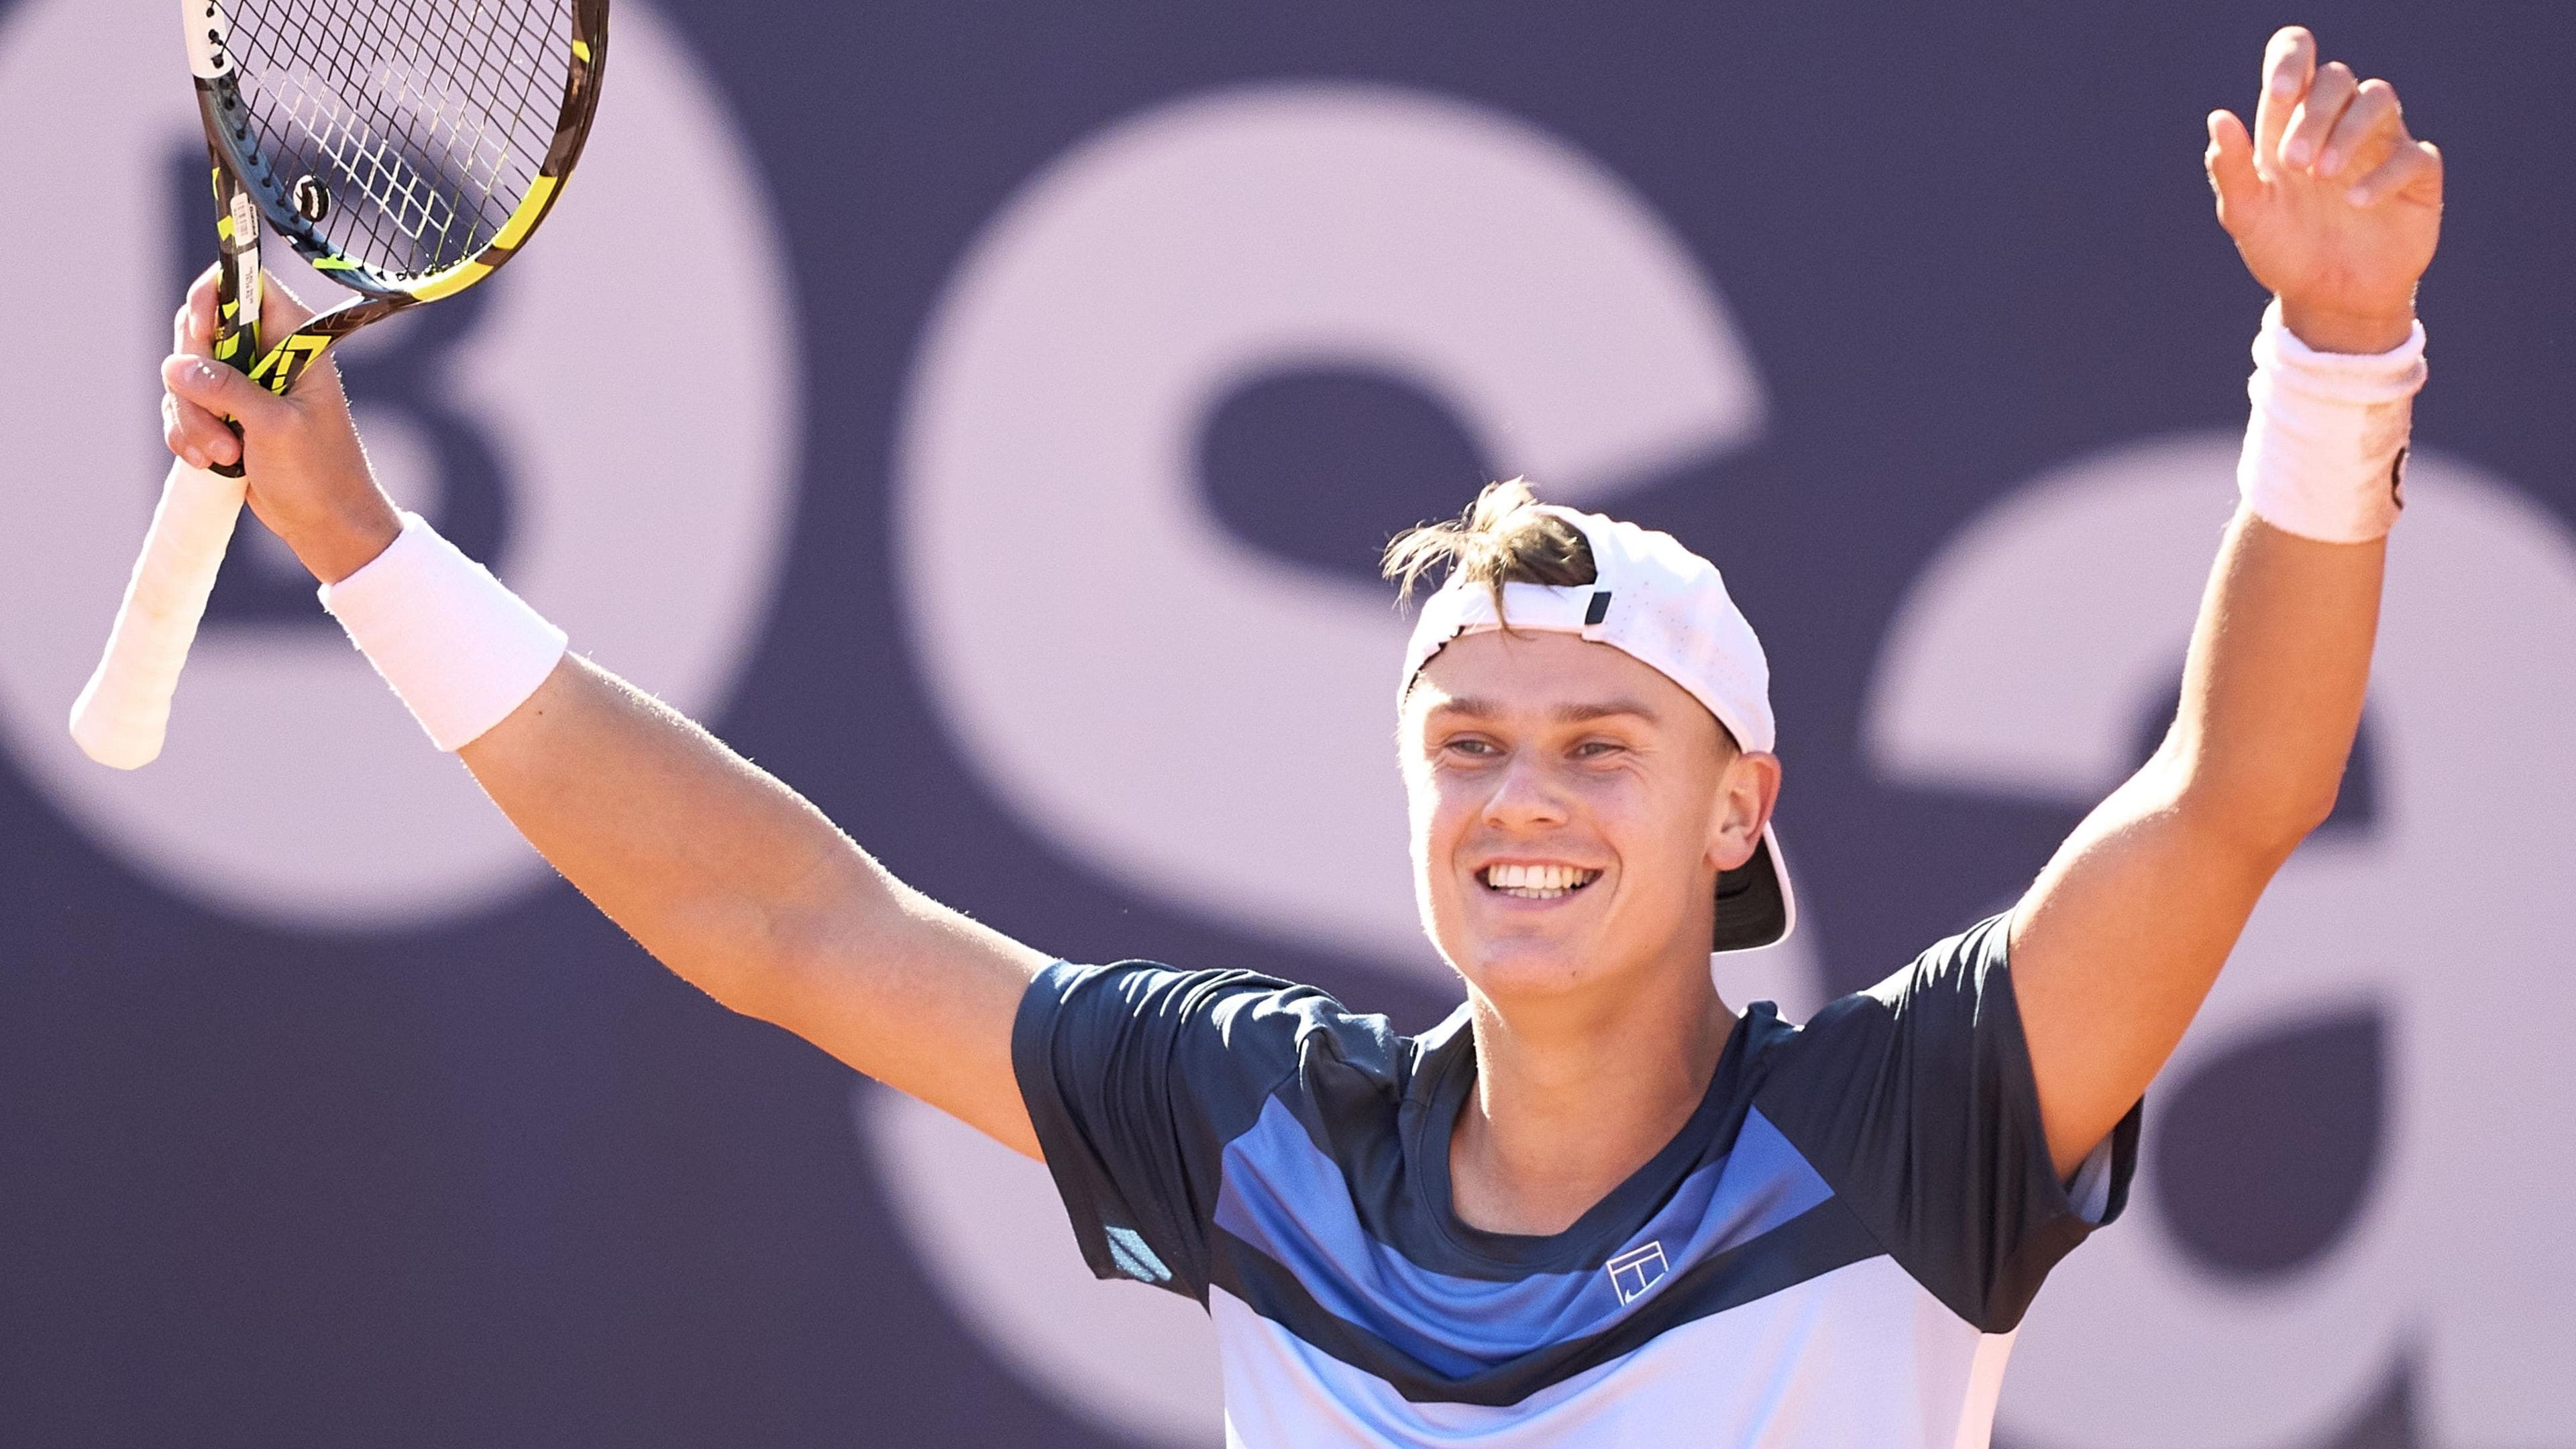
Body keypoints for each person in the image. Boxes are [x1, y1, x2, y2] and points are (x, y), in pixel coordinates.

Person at [152, 25, 2440, 1447]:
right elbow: (786, 919)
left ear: (1743, 804)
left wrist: (2336, 357)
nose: (1520, 801)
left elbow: (2235, 796)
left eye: (1596, 746)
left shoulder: (1918, 1120)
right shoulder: (1263, 1128)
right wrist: (361, 546)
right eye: (1467, 747)